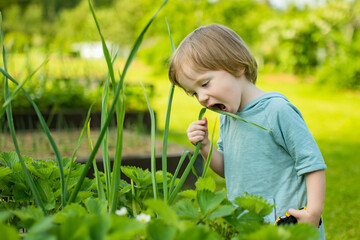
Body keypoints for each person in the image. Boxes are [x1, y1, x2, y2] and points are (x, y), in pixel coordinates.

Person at [168, 23, 327, 239]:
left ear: (236, 66)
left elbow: (312, 164)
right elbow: (229, 170)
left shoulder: (276, 110)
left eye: (204, 84)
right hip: (248, 225)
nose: (202, 98)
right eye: (194, 93)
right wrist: (205, 146)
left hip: (287, 227)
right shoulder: (228, 118)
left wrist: (313, 213)